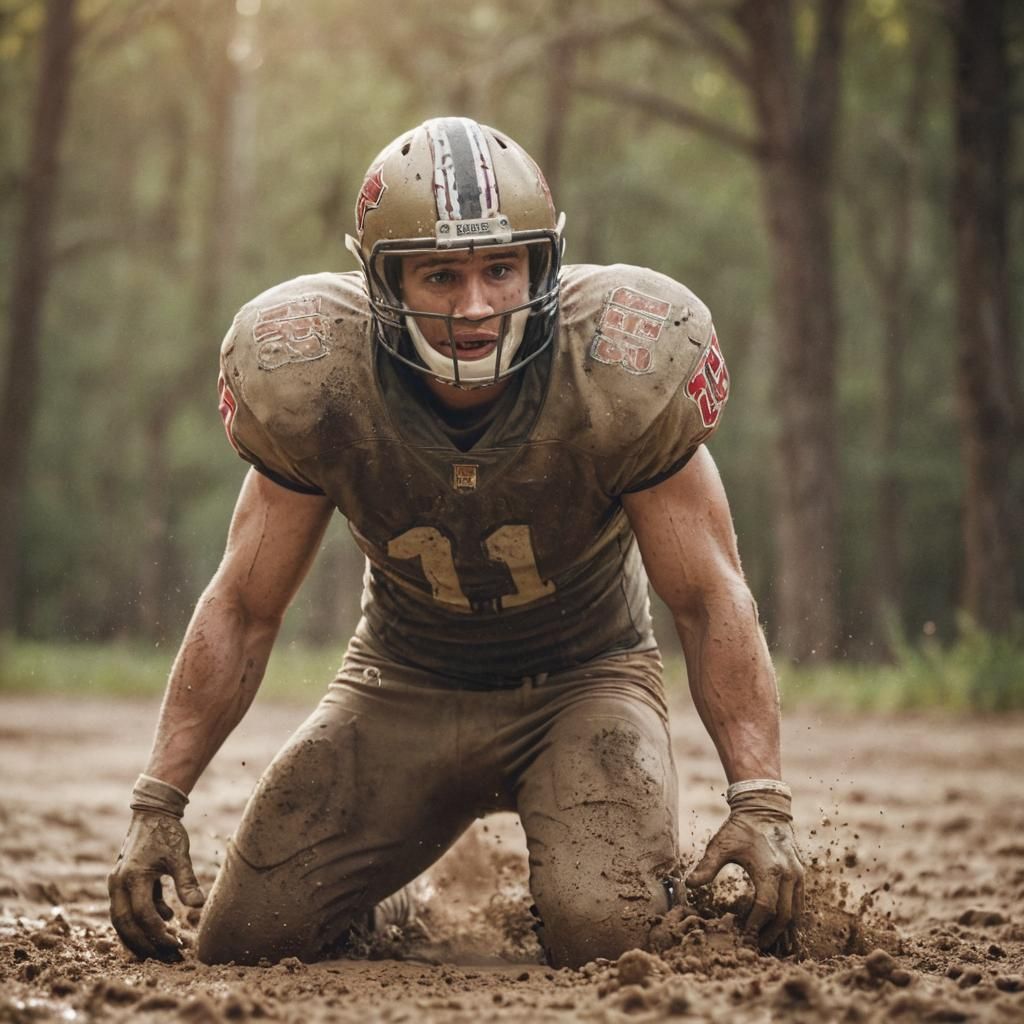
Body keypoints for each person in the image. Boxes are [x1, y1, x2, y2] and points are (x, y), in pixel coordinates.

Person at [107, 117, 803, 970]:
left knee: (604, 932)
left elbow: (708, 596)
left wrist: (760, 799)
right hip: (400, 681)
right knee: (246, 940)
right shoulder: (315, 374)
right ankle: (387, 896)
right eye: (441, 274)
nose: (475, 307)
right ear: (382, 280)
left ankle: (577, 876)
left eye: (500, 269)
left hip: (586, 681)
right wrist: (158, 801)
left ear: (541, 267)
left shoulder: (620, 366)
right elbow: (245, 605)